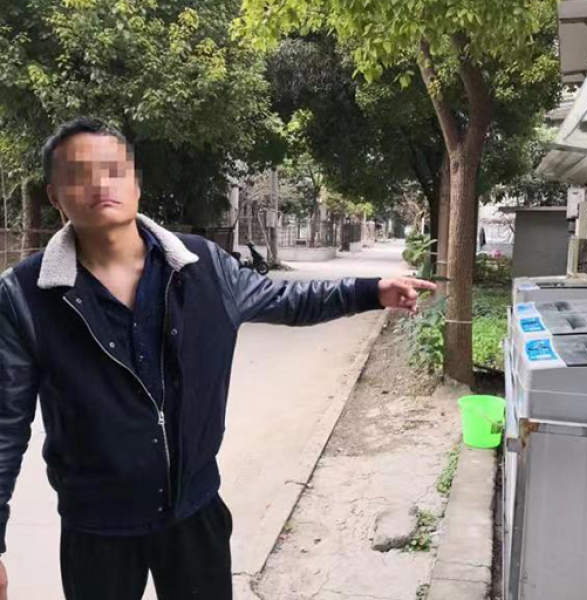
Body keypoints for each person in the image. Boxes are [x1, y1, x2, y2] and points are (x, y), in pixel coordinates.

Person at [0, 117, 436, 599]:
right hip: (96, 527)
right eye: (79, 173)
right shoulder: (24, 295)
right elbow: (6, 425)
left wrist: (372, 291)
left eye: (114, 169)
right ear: (55, 195)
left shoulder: (202, 266)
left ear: (136, 184)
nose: (101, 183)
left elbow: (287, 300)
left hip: (195, 510)